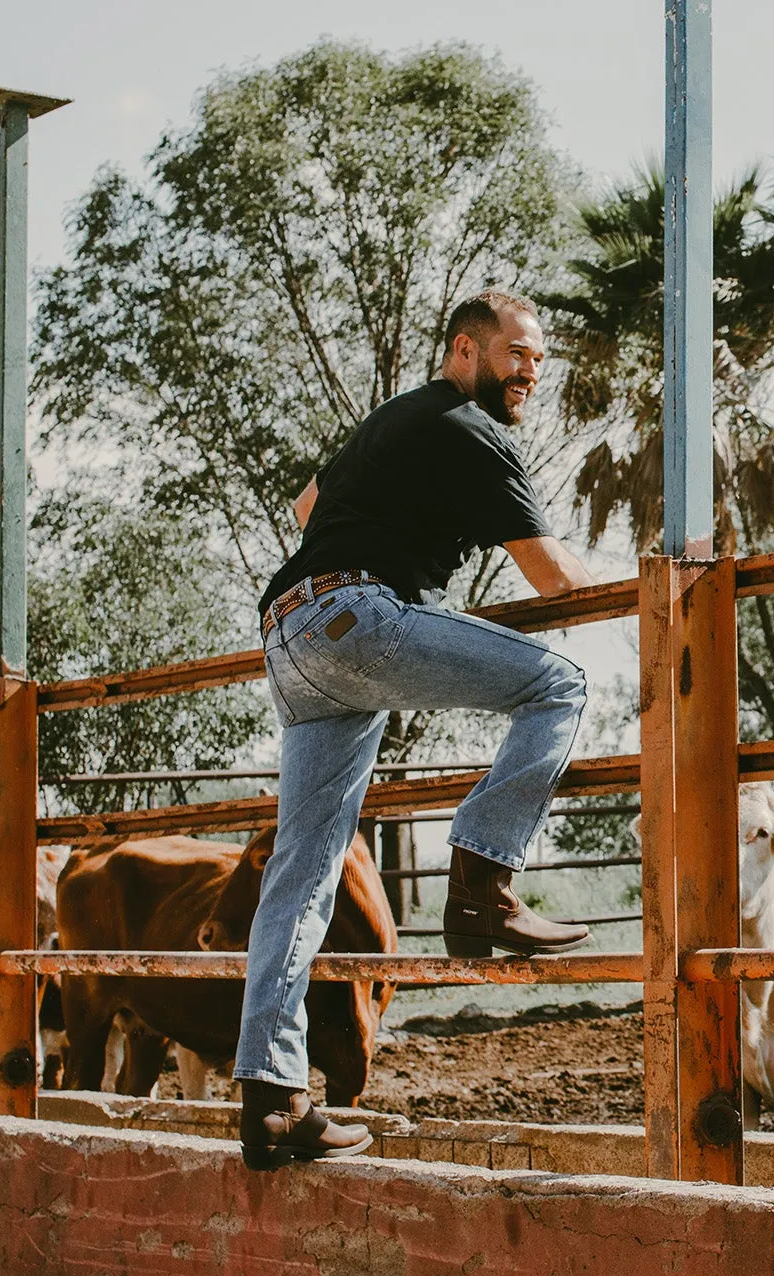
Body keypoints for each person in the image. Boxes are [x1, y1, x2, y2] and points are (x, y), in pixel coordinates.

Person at [234, 290, 596, 1168]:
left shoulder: (392, 423)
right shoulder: (471, 428)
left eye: (540, 360)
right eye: (517, 354)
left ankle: (273, 1101)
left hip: (291, 635)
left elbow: (304, 507)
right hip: (357, 619)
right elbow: (554, 580)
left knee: (307, 869)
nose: (530, 373)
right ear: (464, 351)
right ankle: (479, 885)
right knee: (558, 685)